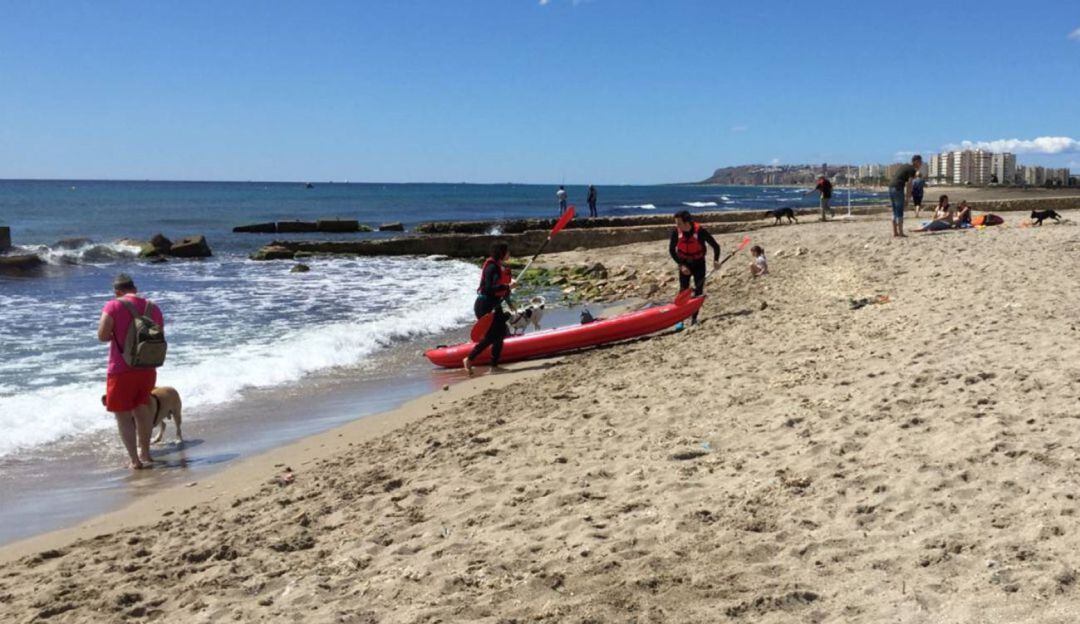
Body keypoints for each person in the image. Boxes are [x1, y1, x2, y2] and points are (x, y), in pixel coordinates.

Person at [97, 274, 164, 469]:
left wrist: (118, 335)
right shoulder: (153, 307)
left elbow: (102, 336)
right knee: (142, 410)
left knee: (123, 415)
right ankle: (146, 453)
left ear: (117, 292)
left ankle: (134, 460)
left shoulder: (113, 305)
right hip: (147, 367)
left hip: (122, 369)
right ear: (135, 289)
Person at [463, 242, 517, 376]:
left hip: (494, 305)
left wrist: (509, 301)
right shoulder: (492, 268)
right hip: (484, 305)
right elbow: (489, 288)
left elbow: (500, 290)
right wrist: (508, 287)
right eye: (507, 251)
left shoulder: (499, 267)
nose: (509, 254)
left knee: (500, 334)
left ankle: (494, 366)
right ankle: (469, 359)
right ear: (501, 253)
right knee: (492, 335)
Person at [669, 210, 720, 324]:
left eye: (679, 223)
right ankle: (679, 320)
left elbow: (716, 246)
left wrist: (716, 260)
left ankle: (694, 319)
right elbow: (672, 251)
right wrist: (681, 265)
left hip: (699, 263)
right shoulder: (676, 232)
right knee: (683, 291)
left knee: (698, 291)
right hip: (684, 263)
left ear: (687, 222)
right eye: (676, 223)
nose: (677, 226)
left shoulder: (700, 231)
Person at [889, 154, 922, 238]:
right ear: (916, 162)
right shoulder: (912, 169)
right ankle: (900, 233)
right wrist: (907, 199)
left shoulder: (905, 166)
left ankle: (895, 232)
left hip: (891, 187)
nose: (921, 164)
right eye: (920, 162)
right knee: (900, 211)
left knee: (894, 211)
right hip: (898, 188)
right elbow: (909, 185)